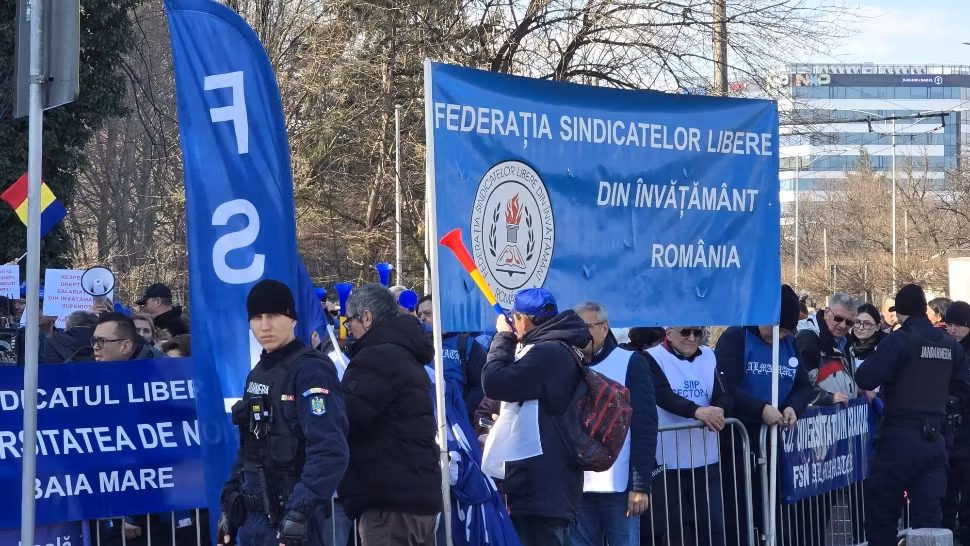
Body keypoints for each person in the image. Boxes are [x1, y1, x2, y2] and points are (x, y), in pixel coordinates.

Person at [218, 279, 349, 546]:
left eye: (274, 315)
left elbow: (329, 450)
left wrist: (298, 513)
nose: (265, 325)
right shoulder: (258, 373)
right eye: (257, 317)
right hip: (254, 521)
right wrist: (229, 510)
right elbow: (248, 449)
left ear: (292, 319)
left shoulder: (311, 370)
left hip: (292, 522)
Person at [856, 284, 970, 545]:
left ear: (901, 313)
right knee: (928, 524)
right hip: (935, 440)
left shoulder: (899, 340)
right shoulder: (949, 344)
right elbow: (964, 388)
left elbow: (865, 377)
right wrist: (940, 402)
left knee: (882, 516)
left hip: (897, 439)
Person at [481, 288, 590, 546]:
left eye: (514, 319)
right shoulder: (557, 349)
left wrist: (503, 338)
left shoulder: (549, 353)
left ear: (524, 320)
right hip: (545, 483)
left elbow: (494, 382)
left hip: (542, 487)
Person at [337, 284, 442, 545]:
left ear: (367, 317)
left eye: (350, 322)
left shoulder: (376, 356)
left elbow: (346, 416)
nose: (349, 329)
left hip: (389, 503)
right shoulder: (405, 352)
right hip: (417, 497)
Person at [714, 284, 816, 546]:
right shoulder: (737, 337)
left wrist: (793, 406)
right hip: (740, 438)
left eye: (785, 332)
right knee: (741, 506)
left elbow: (803, 385)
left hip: (774, 440)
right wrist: (760, 408)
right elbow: (726, 386)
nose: (779, 337)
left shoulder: (789, 344)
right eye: (776, 329)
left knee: (773, 507)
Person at [570, 302, 656, 546]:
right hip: (577, 486)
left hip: (619, 488)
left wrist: (640, 485)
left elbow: (645, 426)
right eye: (576, 327)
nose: (580, 334)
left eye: (587, 326)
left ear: (605, 328)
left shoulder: (630, 362)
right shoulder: (567, 363)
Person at [642, 326, 730, 546]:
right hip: (668, 461)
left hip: (706, 458)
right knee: (674, 528)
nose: (692, 338)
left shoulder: (709, 355)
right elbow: (661, 394)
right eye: (685, 332)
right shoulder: (651, 357)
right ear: (669, 333)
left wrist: (719, 409)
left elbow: (723, 392)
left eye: (697, 333)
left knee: (711, 525)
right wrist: (697, 411)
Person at [416, 294, 488, 422]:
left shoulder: (466, 344)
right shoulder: (416, 346)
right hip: (424, 418)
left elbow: (481, 385)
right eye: (419, 315)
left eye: (427, 313)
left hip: (457, 420)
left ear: (443, 315)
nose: (422, 318)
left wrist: (462, 411)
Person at [795, 292, 858, 406]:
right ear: (827, 313)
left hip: (840, 415)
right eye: (838, 318)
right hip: (815, 415)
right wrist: (828, 398)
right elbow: (799, 384)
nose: (843, 325)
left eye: (849, 322)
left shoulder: (846, 342)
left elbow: (846, 381)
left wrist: (861, 390)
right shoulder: (808, 338)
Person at [943, 300, 970, 541]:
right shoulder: (945, 347)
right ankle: (948, 527)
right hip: (950, 425)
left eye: (958, 325)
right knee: (949, 483)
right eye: (949, 324)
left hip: (965, 425)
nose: (952, 330)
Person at [92, 312, 165, 361]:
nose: (95, 347)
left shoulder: (161, 372)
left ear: (125, 347)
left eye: (101, 341)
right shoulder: (92, 366)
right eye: (95, 340)